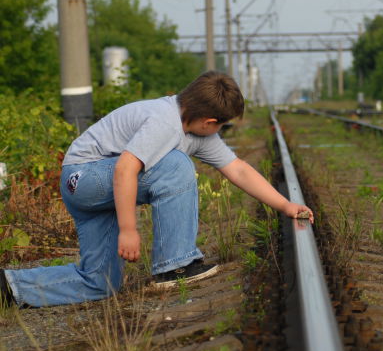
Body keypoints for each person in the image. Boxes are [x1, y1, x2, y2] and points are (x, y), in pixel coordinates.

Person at [0, 71, 313, 308]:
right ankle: (174, 266)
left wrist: (286, 206)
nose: (218, 132)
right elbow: (125, 169)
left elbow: (239, 170)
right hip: (84, 178)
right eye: (221, 125)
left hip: (100, 189)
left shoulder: (198, 133)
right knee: (175, 165)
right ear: (209, 120)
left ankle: (10, 287)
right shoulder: (164, 121)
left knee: (100, 283)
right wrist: (128, 230)